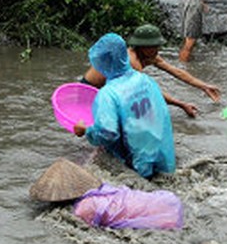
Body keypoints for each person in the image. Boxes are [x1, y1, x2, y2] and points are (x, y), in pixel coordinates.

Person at [73, 32, 175, 179]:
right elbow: (161, 115)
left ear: (101, 63)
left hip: (136, 166)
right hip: (163, 157)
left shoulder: (108, 94)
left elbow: (108, 134)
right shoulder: (145, 79)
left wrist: (85, 130)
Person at [78, 24, 222, 118]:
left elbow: (176, 71)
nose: (157, 50)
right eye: (154, 46)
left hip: (108, 91)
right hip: (89, 92)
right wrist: (181, 104)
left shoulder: (150, 55)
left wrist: (203, 86)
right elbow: (149, 90)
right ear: (142, 46)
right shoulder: (132, 62)